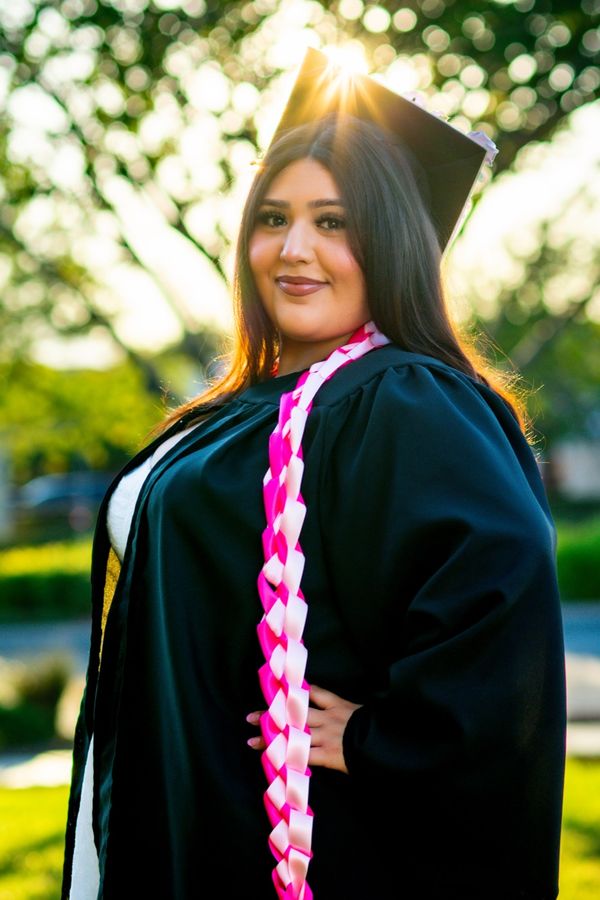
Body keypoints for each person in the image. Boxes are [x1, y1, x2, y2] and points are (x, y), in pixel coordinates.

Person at [61, 49, 566, 900]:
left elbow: (501, 594)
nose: (293, 249)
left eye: (334, 221)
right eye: (273, 217)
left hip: (289, 849)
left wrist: (385, 739)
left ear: (392, 242)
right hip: (184, 819)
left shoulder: (400, 396)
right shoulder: (251, 405)